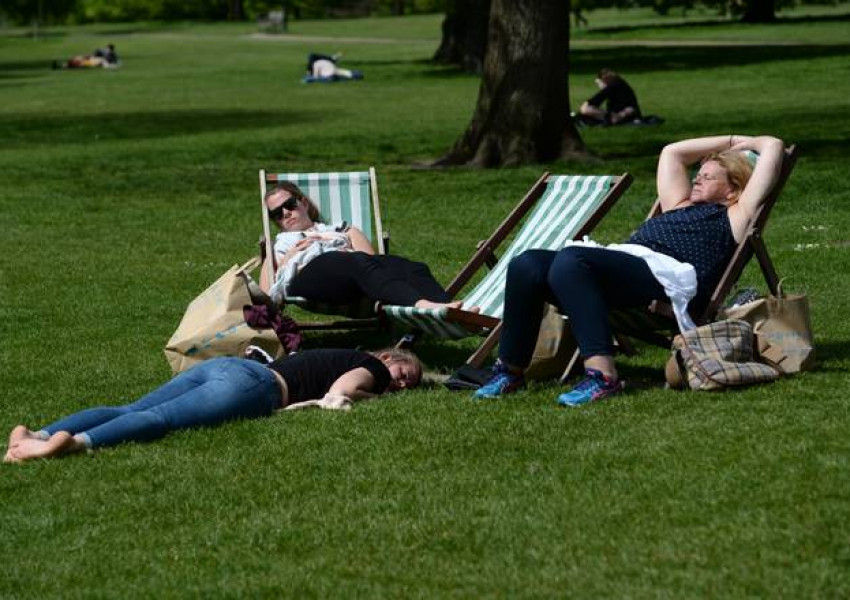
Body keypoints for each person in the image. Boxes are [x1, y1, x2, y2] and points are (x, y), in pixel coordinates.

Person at [474, 135, 786, 406]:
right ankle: (509, 372)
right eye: (698, 174)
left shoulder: (735, 216)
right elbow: (672, 153)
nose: (696, 180)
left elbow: (773, 146)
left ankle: (603, 376)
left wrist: (750, 145)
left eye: (707, 177)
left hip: (670, 279)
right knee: (526, 264)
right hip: (625, 269)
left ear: (733, 190)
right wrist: (730, 141)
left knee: (573, 259)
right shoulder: (677, 203)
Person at [4, 347, 422, 463]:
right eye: (405, 373)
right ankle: (73, 444)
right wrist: (354, 396)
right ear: (388, 358)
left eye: (409, 384)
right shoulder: (373, 368)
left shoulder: (343, 353)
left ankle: (33, 435)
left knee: (130, 407)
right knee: (159, 420)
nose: (401, 383)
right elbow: (341, 391)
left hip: (225, 366)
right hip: (255, 387)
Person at [259, 182, 471, 312]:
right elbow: (266, 296)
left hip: (348, 278)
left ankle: (452, 312)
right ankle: (422, 305)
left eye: (289, 205)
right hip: (309, 280)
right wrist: (289, 257)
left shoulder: (342, 230)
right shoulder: (281, 244)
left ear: (303, 203)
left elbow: (373, 264)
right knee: (350, 260)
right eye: (277, 213)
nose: (285, 213)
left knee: (413, 266)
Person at [53, 44, 119, 70]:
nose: (106, 49)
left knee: (78, 62)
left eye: (107, 48)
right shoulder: (104, 52)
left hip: (94, 61)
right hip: (93, 60)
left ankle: (62, 66)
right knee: (76, 60)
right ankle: (61, 65)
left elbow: (110, 62)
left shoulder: (112, 55)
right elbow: (94, 55)